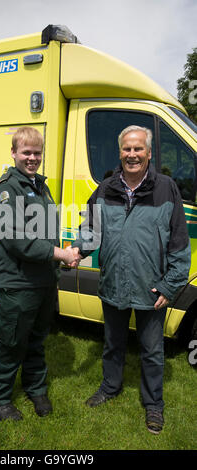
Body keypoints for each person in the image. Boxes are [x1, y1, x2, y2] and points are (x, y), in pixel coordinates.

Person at [71, 125, 191, 434]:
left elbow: (179, 242)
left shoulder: (167, 188)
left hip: (152, 288)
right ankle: (110, 388)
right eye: (127, 149)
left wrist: (169, 284)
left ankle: (154, 405)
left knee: (152, 350)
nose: (132, 154)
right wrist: (75, 251)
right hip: (113, 283)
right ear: (120, 152)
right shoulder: (105, 189)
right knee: (113, 344)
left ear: (149, 153)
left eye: (139, 149)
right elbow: (90, 231)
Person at [0, 126, 79, 422]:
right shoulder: (6, 189)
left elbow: (45, 232)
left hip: (43, 281)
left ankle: (35, 388)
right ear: (13, 153)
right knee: (11, 342)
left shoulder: (41, 186)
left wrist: (61, 253)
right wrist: (59, 254)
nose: (32, 158)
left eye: (37, 152)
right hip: (17, 282)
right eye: (26, 152)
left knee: (37, 339)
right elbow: (13, 237)